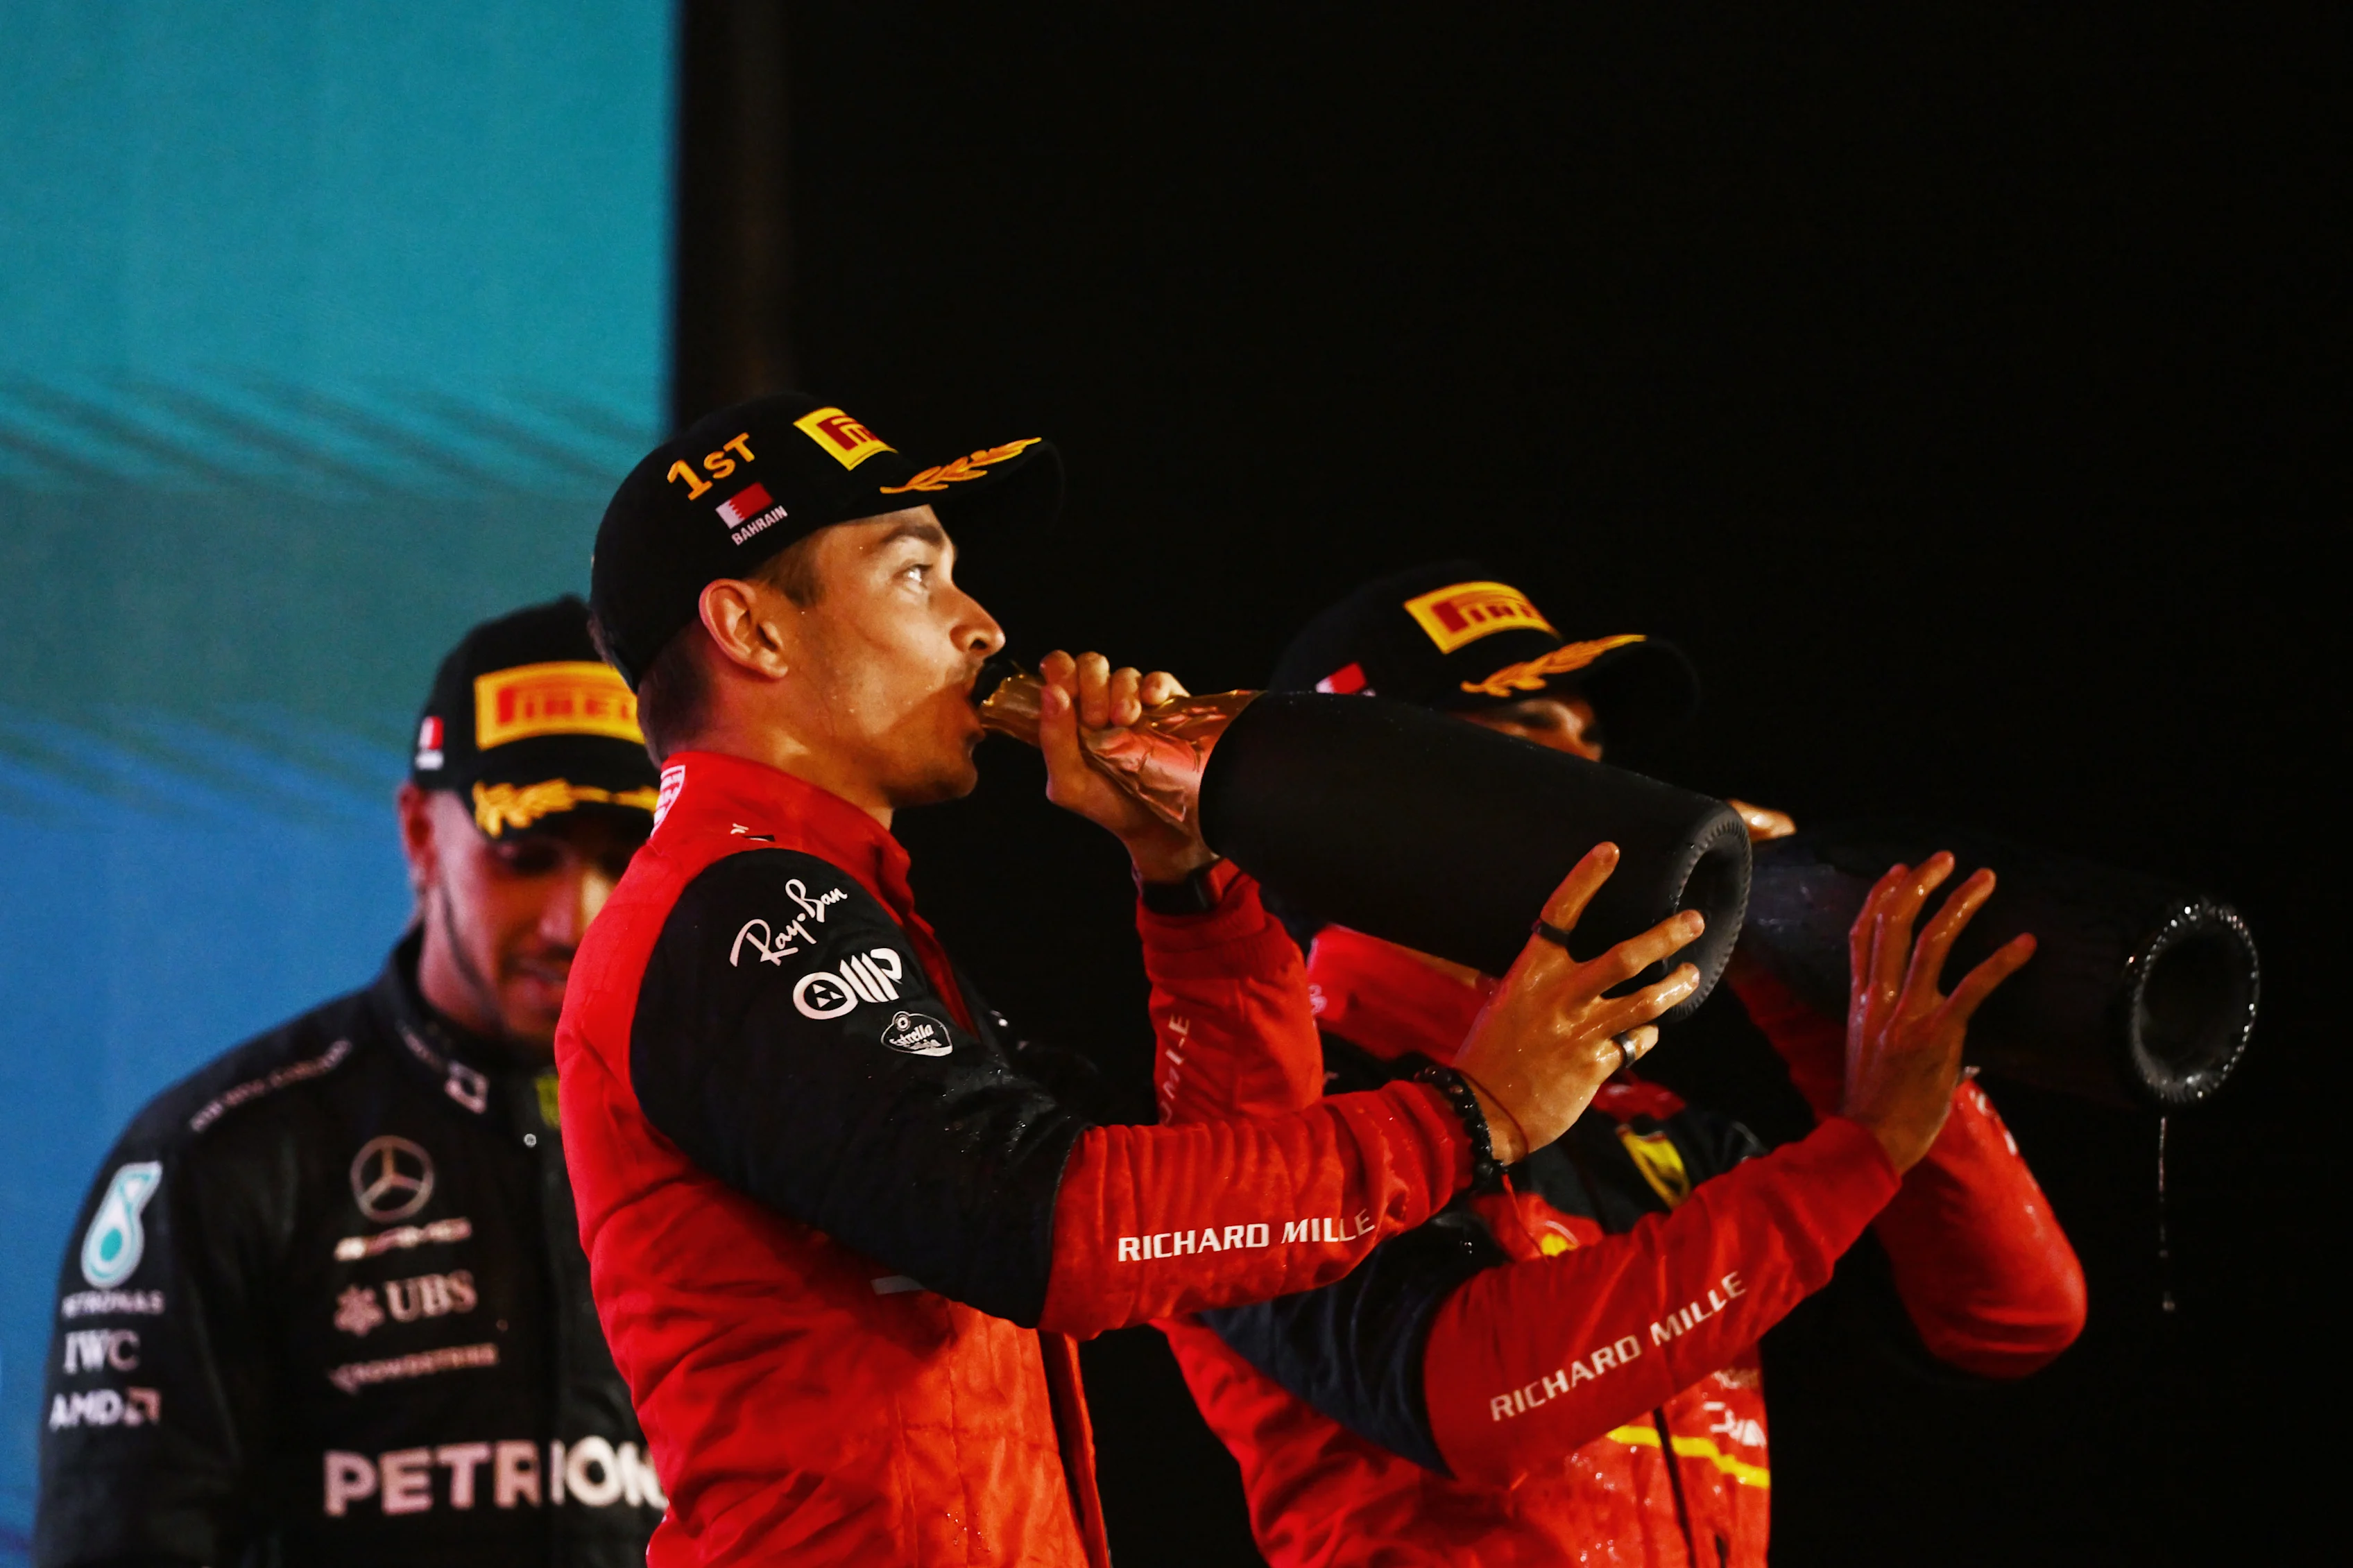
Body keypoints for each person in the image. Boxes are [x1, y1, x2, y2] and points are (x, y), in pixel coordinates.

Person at [559, 396, 1711, 1567]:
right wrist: (1476, 1112)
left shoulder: (830, 906)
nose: (980, 627)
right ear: (751, 631)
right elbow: (1065, 1233)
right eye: (916, 576)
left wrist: (1190, 883)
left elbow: (1234, 1209)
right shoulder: (735, 909)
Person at [1159, 563, 2089, 1568]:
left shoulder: (1652, 1125)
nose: (1591, 769)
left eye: (1591, 736)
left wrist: (1804, 988)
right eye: (1527, 726)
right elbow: (1485, 1408)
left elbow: (2009, 1319)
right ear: (1369, 783)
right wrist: (1862, 1153)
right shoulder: (1258, 1108)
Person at [35, 598, 669, 1568]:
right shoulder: (220, 1158)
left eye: (620, 862)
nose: (568, 920)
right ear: (421, 836)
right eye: (524, 857)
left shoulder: (753, 1143)